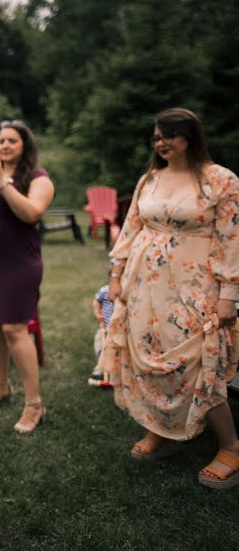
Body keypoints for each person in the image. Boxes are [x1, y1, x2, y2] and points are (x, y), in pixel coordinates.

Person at [101, 107, 238, 490]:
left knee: (199, 362)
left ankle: (230, 445)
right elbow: (130, 230)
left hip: (195, 287)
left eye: (169, 135)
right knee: (148, 357)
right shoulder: (151, 180)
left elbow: (231, 240)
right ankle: (160, 428)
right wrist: (116, 276)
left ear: (190, 136)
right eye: (157, 136)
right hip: (145, 286)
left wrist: (229, 295)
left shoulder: (219, 180)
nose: (161, 142)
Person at [0, 120, 55, 434]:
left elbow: (32, 213)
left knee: (14, 328)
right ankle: (1, 385)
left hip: (20, 263)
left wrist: (4, 182)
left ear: (25, 145)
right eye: (1, 140)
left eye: (12, 140)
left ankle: (34, 404)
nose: (5, 145)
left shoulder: (38, 178)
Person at [87, 284, 114, 388]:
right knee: (100, 347)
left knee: (115, 351)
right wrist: (98, 314)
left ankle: (114, 370)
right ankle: (100, 366)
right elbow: (97, 301)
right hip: (104, 328)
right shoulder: (105, 290)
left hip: (118, 331)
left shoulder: (126, 291)